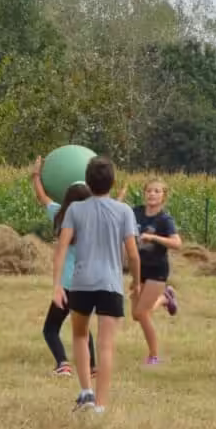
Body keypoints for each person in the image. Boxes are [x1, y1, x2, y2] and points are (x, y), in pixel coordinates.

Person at [51, 157, 140, 413]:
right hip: (111, 284)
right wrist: (136, 281)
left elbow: (61, 248)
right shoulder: (124, 211)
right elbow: (133, 254)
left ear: (88, 183)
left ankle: (85, 392)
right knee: (106, 345)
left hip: (81, 283)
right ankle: (100, 406)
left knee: (80, 335)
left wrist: (57, 285)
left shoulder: (74, 210)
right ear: (112, 182)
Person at [31, 160, 91, 377]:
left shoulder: (59, 215)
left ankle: (63, 364)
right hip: (87, 283)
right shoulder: (94, 220)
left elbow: (42, 197)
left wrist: (36, 176)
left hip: (66, 284)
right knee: (81, 326)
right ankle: (92, 367)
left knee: (50, 329)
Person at [132, 178, 182, 366]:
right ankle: (165, 299)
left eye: (157, 191)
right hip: (139, 269)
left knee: (142, 313)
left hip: (157, 270)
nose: (152, 194)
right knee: (136, 315)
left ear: (163, 196)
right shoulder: (135, 212)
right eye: (149, 191)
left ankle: (154, 356)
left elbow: (177, 243)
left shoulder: (164, 220)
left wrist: (153, 237)